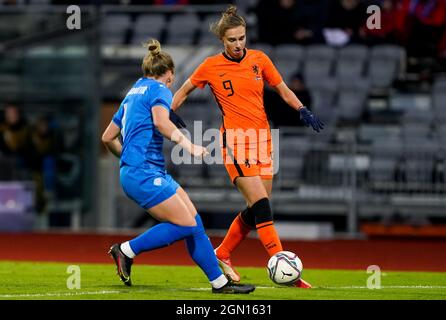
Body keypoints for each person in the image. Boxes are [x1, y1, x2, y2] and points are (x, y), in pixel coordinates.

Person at [171, 6, 323, 288]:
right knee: (263, 207)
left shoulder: (259, 59)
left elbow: (282, 88)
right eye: (232, 40)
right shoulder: (210, 66)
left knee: (256, 211)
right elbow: (183, 89)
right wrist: (168, 110)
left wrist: (302, 109)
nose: (238, 44)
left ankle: (223, 252)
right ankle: (283, 266)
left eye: (241, 38)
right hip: (236, 143)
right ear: (222, 41)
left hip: (264, 140)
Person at [102, 38, 255, 294]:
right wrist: (189, 145)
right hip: (144, 173)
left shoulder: (133, 92)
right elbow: (162, 123)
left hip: (141, 171)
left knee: (194, 223)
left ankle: (219, 283)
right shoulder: (160, 89)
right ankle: (126, 250)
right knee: (184, 225)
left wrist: (127, 160)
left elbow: (107, 137)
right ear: (170, 75)